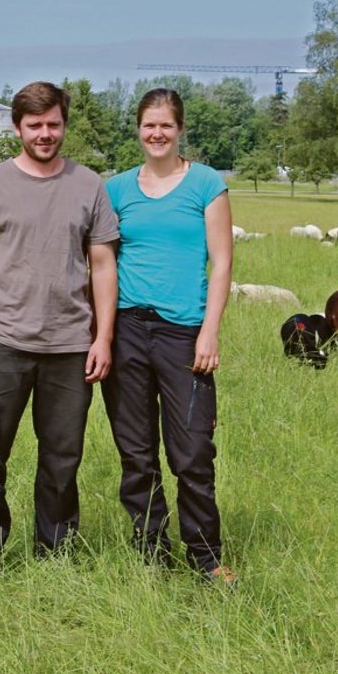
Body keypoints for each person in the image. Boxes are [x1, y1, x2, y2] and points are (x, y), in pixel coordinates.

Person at [0, 81, 118, 558]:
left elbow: (103, 266)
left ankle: (56, 552)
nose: (45, 134)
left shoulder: (88, 186)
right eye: (35, 125)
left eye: (53, 124)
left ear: (64, 124)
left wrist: (102, 338)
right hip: (3, 343)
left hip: (70, 347)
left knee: (63, 459)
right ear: (17, 127)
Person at [101, 88, 236, 585]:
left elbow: (221, 262)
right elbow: (102, 264)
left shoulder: (205, 184)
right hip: (127, 331)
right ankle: (150, 552)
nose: (156, 133)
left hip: (184, 333)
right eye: (148, 125)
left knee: (193, 449)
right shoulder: (115, 190)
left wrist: (209, 331)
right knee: (136, 452)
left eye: (166, 125)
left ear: (180, 130)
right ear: (137, 129)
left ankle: (205, 556)